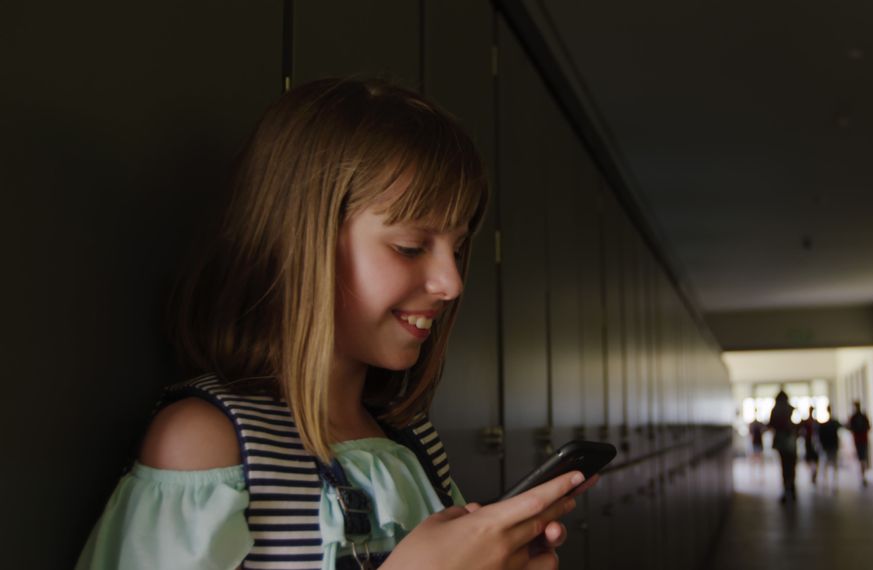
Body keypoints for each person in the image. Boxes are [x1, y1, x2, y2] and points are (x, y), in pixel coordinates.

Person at [77, 78, 594, 570]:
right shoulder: (208, 445)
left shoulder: (412, 442)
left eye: (457, 249)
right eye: (410, 247)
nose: (451, 283)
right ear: (301, 242)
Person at [768, 390, 798, 503]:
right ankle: (791, 488)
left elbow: (771, 424)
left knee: (785, 467)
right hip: (790, 441)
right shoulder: (789, 408)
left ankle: (787, 489)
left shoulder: (776, 410)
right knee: (791, 466)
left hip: (782, 442)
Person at [817, 406, 841, 491]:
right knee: (828, 465)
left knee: (829, 465)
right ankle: (826, 483)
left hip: (830, 447)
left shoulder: (830, 424)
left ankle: (830, 483)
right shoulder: (830, 424)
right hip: (828, 447)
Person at [848, 400, 872, 487]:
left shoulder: (856, 417)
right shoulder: (858, 417)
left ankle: (862, 476)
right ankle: (862, 476)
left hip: (861, 440)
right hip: (860, 440)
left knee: (862, 459)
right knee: (862, 459)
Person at [799, 406, 820, 485]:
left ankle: (813, 472)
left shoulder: (813, 422)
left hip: (813, 443)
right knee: (810, 459)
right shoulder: (809, 422)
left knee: (813, 459)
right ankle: (813, 472)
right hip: (809, 443)